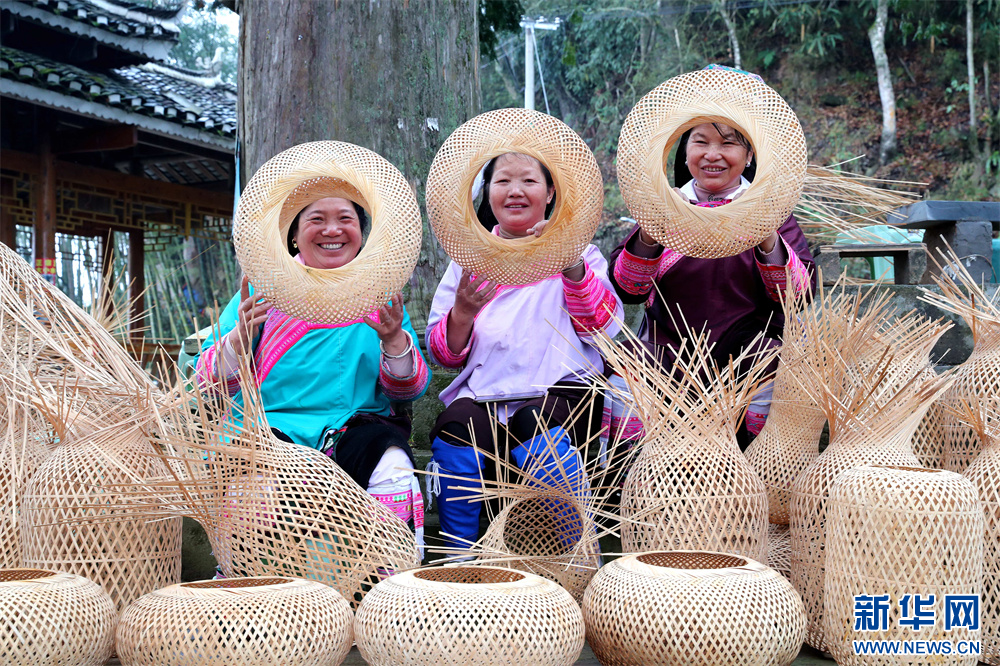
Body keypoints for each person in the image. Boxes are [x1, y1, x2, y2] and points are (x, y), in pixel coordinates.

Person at [196, 196, 431, 548]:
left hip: (356, 427)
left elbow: (407, 390)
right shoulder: (262, 290)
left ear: (361, 232)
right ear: (295, 235)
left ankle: (392, 585)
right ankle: (252, 589)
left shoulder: (379, 295)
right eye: (317, 219)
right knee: (251, 486)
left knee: (394, 469)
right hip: (271, 429)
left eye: (345, 219)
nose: (332, 230)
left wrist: (394, 339)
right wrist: (239, 339)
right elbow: (207, 380)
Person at [424, 152, 625, 551]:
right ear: (488, 193)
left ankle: (578, 552)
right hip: (486, 399)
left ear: (551, 192)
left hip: (563, 396)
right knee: (456, 421)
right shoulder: (469, 256)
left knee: (536, 422)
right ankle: (457, 556)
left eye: (529, 181)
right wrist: (463, 312)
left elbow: (603, 327)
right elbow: (443, 355)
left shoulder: (577, 251)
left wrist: (570, 268)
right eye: (503, 181)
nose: (515, 191)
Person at [606, 113, 816, 452]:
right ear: (684, 152)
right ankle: (633, 481)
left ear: (749, 156)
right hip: (670, 350)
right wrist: (651, 230)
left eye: (728, 143)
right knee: (628, 369)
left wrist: (765, 236)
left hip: (748, 350)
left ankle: (763, 476)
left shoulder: (772, 211)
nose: (712, 154)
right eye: (700, 142)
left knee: (772, 367)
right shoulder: (665, 206)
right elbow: (630, 289)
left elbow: (797, 295)